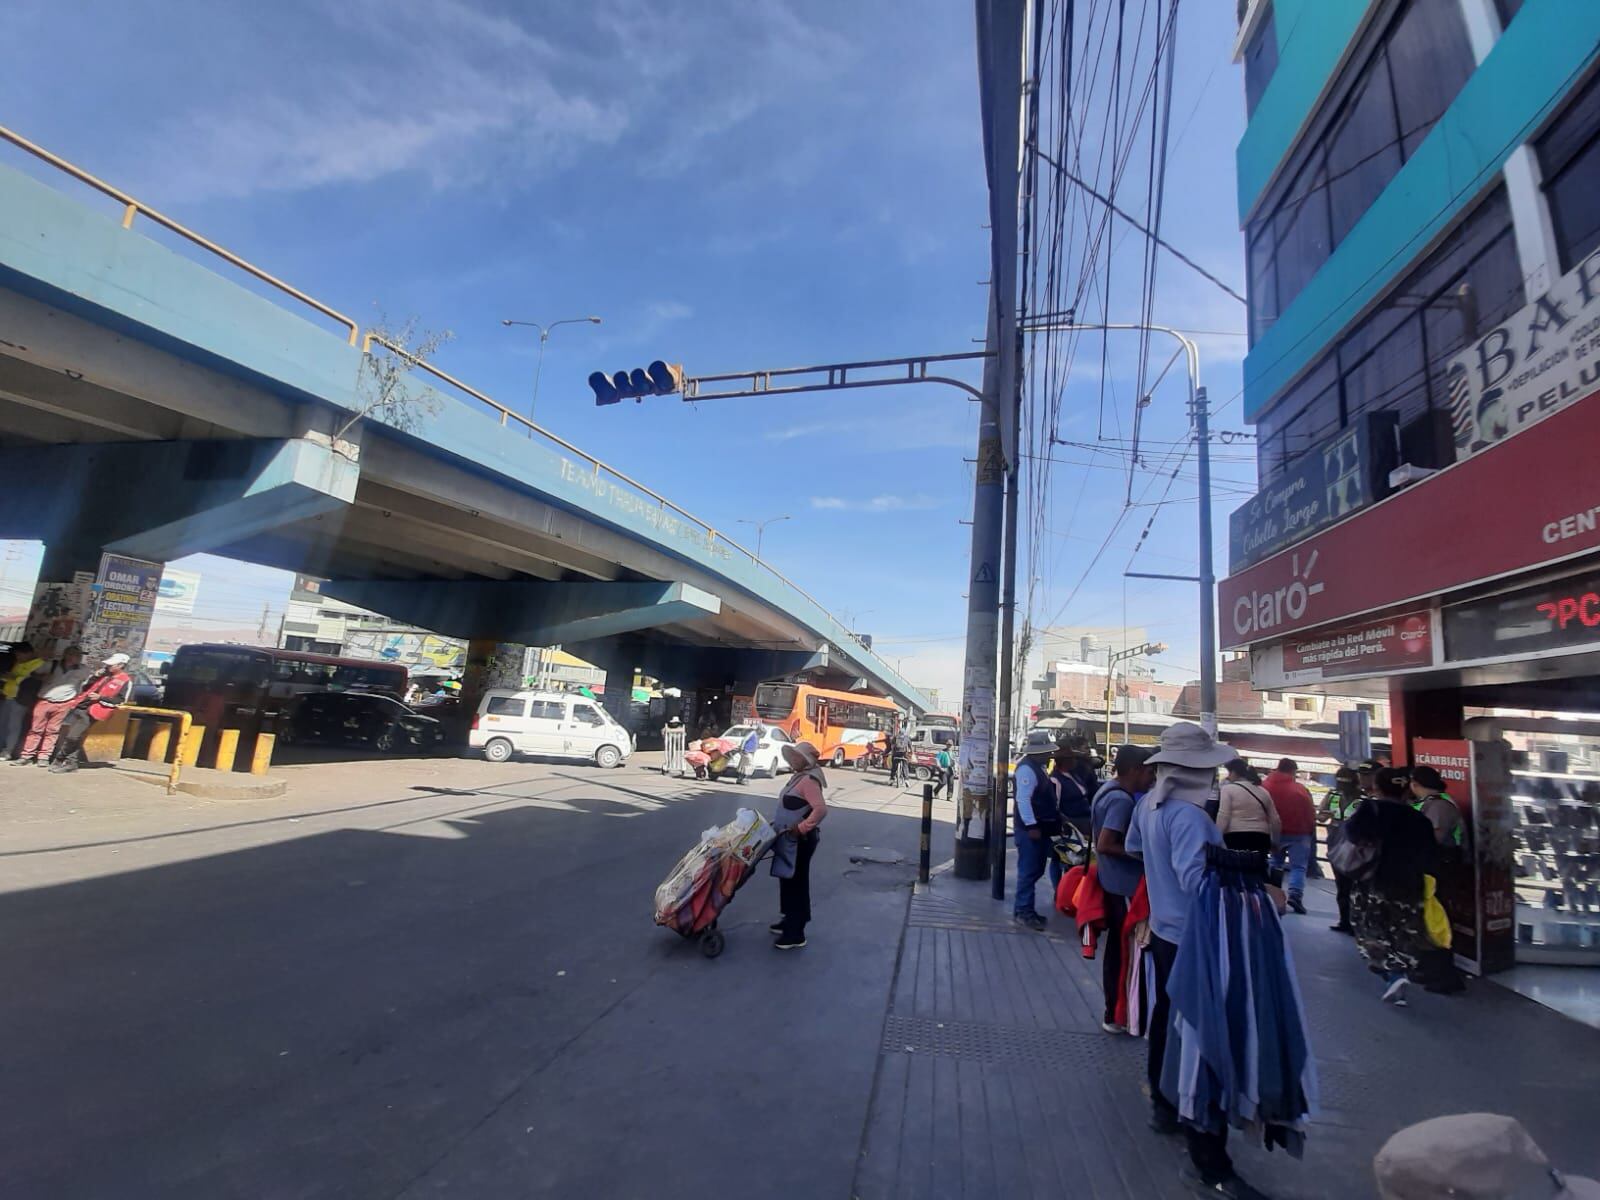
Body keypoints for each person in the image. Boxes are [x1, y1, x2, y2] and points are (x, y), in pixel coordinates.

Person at [1127, 722, 1273, 1199]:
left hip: (1168, 932)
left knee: (1169, 1023)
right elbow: (1198, 881)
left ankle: (1164, 1108)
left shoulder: (1151, 806)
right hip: (1198, 936)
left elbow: (1135, 850)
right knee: (1204, 1044)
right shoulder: (1188, 817)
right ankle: (1209, 1161)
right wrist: (1248, 884)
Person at [1346, 766, 1437, 1006]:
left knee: (1369, 928)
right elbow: (1430, 853)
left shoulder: (1370, 809)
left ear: (1377, 787)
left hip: (1374, 881)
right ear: (1406, 789)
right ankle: (1401, 976)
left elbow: (1352, 835)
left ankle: (1392, 974)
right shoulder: (1419, 818)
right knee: (1403, 930)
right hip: (1409, 883)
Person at [1090, 744, 1153, 1034]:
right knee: (1124, 953)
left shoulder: (1106, 791)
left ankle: (1117, 1012)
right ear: (1135, 770)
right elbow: (1105, 843)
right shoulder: (1122, 802)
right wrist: (1143, 854)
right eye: (1149, 770)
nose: (1152, 777)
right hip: (1123, 885)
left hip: (1111, 881)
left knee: (1118, 950)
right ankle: (1116, 1014)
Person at [769, 741, 828, 950]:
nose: (793, 760)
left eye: (797, 757)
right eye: (792, 757)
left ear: (806, 760)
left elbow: (820, 809)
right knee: (788, 879)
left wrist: (801, 828)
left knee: (796, 882)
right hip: (788, 838)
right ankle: (789, 920)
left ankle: (795, 933)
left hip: (800, 840)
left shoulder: (809, 781)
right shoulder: (799, 777)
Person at [48, 652, 133, 773]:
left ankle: (60, 758)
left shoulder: (125, 681)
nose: (108, 667)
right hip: (80, 705)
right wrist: (94, 676)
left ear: (120, 665)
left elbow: (120, 700)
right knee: (72, 736)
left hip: (94, 710)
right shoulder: (104, 675)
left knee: (73, 736)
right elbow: (85, 687)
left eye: (112, 665)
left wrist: (100, 698)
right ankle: (71, 763)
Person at [1011, 728, 1061, 931]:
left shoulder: (1037, 767)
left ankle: (1024, 909)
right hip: (1030, 830)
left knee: (1034, 869)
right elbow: (1023, 800)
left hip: (1039, 828)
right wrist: (1031, 825)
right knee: (1029, 870)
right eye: (1048, 751)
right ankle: (1024, 911)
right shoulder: (1027, 770)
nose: (1051, 755)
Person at [14, 646, 90, 767]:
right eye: (71, 654)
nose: (73, 657)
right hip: (45, 700)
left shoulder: (83, 670)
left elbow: (88, 684)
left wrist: (76, 700)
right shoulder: (52, 665)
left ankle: (44, 756)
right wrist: (42, 677)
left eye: (76, 655)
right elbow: (32, 674)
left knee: (53, 731)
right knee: (35, 729)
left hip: (64, 703)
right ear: (65, 654)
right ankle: (27, 755)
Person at [1263, 757, 1316, 915]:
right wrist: (1310, 829)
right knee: (1298, 867)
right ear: (1293, 771)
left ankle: (1273, 895)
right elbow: (1309, 812)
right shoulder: (1299, 789)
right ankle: (1295, 896)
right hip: (1299, 833)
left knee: (1274, 863)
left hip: (1274, 832)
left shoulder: (1265, 786)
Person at [1322, 765, 1363, 933]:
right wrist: (1325, 815)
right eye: (1340, 783)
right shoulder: (1332, 795)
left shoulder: (1364, 800)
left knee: (1356, 887)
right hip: (1336, 846)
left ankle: (1356, 922)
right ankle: (1345, 920)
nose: (1342, 787)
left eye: (1345, 783)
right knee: (1342, 887)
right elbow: (1322, 814)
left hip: (1356, 849)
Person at [1216, 758, 1281, 854]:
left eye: (1229, 773)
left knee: (1235, 867)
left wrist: (1216, 837)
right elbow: (1275, 820)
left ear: (1233, 772)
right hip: (1261, 837)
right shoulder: (1263, 791)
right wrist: (1275, 841)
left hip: (1235, 836)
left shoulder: (1228, 789)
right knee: (1257, 867)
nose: (1228, 776)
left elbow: (1223, 816)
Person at [1, 639, 46, 758]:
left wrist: (15, 677)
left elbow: (31, 681)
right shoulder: (19, 663)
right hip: (9, 696)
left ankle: (8, 750)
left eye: (19, 654)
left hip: (20, 699)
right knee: (3, 723)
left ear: (29, 653)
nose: (17, 657)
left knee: (13, 726)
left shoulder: (38, 664)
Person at [1051, 735, 1096, 841]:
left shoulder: (1074, 775)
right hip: (1073, 827)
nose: (1075, 761)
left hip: (1086, 823)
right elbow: (1055, 807)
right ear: (1064, 761)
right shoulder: (1055, 780)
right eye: (1073, 758)